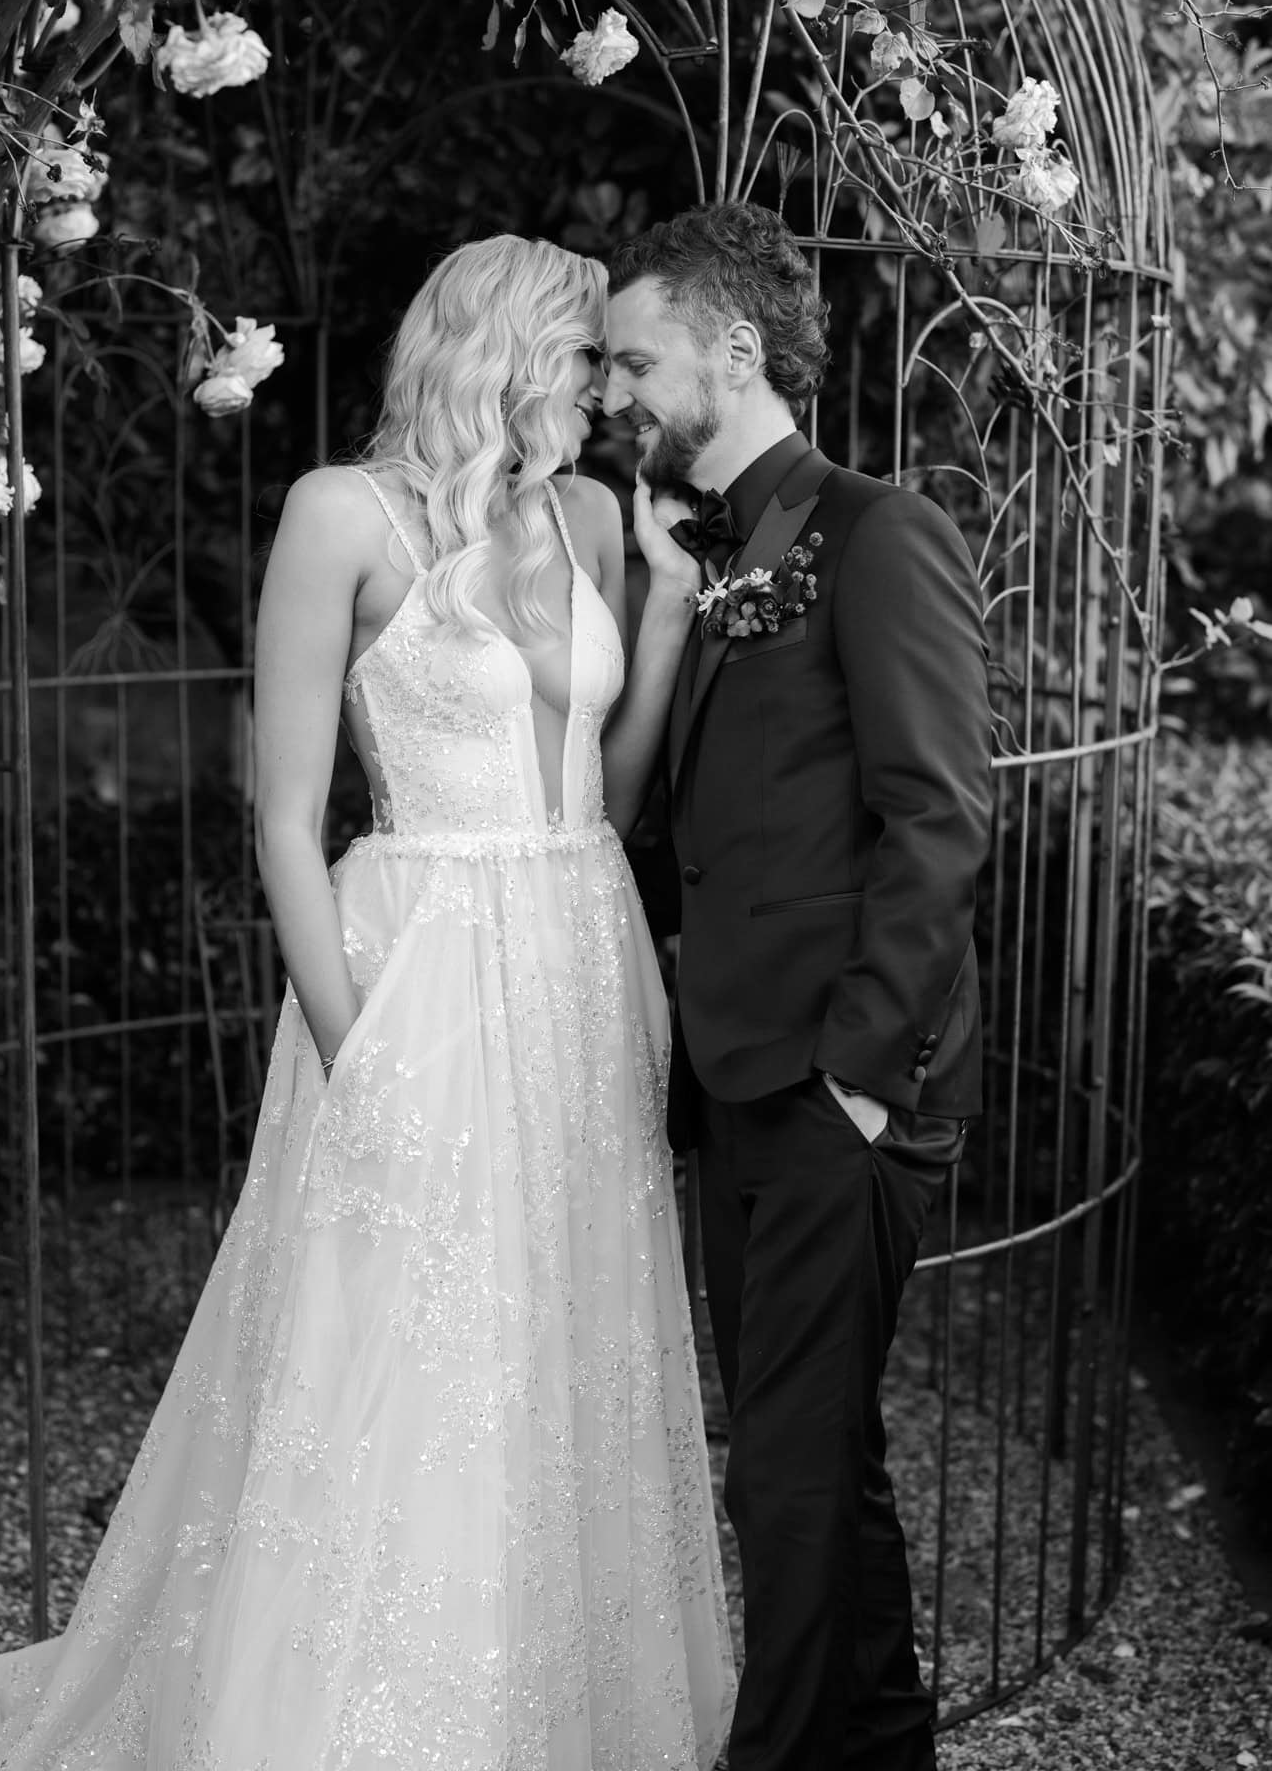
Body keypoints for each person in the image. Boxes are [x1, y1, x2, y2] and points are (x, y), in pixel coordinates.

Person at [0, 235, 735, 1770]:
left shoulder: (585, 514)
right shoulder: (338, 515)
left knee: (561, 1327)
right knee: (395, 1332)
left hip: (578, 953)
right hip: (417, 963)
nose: (608, 392)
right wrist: (352, 1043)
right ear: (506, 351)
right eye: (588, 359)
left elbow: (606, 794)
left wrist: (666, 618)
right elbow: (284, 817)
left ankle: (545, 1704)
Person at [604, 203, 993, 1771]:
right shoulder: (705, 556)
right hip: (739, 1077)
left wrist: (857, 1065)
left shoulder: (876, 529)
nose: (613, 388)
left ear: (735, 351)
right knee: (818, 1462)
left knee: (781, 1468)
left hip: (839, 1088)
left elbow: (940, 812)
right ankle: (883, 1743)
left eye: (636, 359)